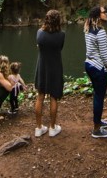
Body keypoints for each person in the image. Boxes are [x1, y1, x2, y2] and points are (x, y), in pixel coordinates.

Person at [84, 5, 107, 138]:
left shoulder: (88, 28)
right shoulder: (101, 32)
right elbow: (104, 56)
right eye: (104, 12)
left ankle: (98, 121)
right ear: (98, 16)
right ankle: (96, 129)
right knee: (99, 97)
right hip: (98, 68)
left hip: (89, 64)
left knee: (97, 95)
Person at [34, 9, 65, 137]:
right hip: (55, 68)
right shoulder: (61, 35)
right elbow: (60, 48)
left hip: (42, 68)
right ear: (58, 20)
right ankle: (52, 128)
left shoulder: (39, 33)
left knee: (40, 96)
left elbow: (39, 46)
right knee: (54, 97)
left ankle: (39, 128)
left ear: (46, 19)